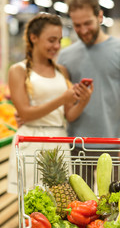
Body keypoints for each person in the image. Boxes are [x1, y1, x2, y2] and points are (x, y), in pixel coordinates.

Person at [57, 0, 120, 185]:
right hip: (77, 146)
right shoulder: (65, 56)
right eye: (77, 25)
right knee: (80, 211)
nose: (83, 30)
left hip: (113, 144)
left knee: (118, 209)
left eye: (88, 23)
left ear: (100, 16)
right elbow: (63, 99)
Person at [7, 13, 93, 194]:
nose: (56, 46)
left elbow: (68, 115)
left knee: (60, 208)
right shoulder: (18, 70)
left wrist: (83, 100)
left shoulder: (62, 71)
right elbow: (25, 114)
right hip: (31, 143)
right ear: (34, 38)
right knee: (31, 205)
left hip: (59, 141)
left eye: (59, 40)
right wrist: (62, 99)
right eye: (51, 40)